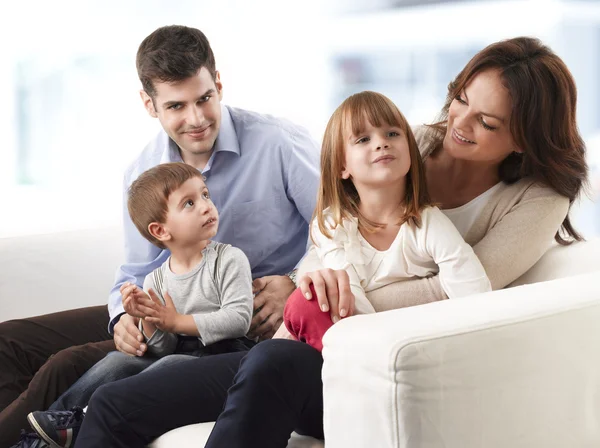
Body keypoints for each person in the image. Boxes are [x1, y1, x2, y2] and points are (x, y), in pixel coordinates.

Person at [72, 36, 588, 448]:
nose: (457, 123)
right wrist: (310, 278)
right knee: (118, 402)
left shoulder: (536, 199)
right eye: (459, 100)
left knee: (271, 363)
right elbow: (329, 229)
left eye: (487, 122)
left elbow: (469, 292)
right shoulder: (408, 142)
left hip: (366, 354)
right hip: (302, 336)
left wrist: (326, 300)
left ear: (526, 137)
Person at [2, 25, 320, 447]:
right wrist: (124, 317)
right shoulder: (143, 171)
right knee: (10, 342)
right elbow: (138, 269)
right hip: (171, 301)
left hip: (238, 316)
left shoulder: (278, 143)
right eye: (176, 106)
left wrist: (297, 285)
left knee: (68, 363)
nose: (196, 119)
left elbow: (339, 231)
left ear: (218, 83)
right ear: (149, 105)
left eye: (204, 98)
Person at [27, 162, 256, 446]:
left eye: (205, 195)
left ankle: (85, 418)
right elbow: (163, 346)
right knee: (116, 361)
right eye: (189, 202)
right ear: (160, 231)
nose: (206, 206)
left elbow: (238, 319)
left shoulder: (229, 260)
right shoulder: (155, 280)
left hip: (224, 356)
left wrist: (176, 322)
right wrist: (146, 318)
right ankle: (50, 427)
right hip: (180, 353)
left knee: (171, 363)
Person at [283, 90, 492, 351]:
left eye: (392, 133)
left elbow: (475, 293)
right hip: (356, 345)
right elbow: (350, 304)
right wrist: (377, 355)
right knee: (305, 305)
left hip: (417, 343)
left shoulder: (426, 223)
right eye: (363, 139)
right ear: (341, 167)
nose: (381, 143)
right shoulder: (332, 225)